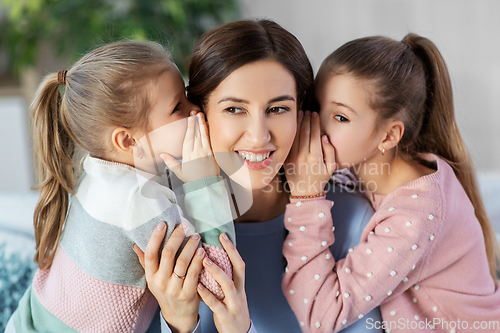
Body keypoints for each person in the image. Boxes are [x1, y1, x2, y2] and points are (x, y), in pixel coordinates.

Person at [136, 20, 383, 333]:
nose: (257, 137)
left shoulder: (354, 219)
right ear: (199, 112)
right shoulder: (157, 214)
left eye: (278, 109)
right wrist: (179, 324)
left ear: (302, 114)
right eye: (235, 110)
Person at [6, 40, 235, 333]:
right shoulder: (139, 199)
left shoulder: (97, 168)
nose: (197, 110)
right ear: (127, 141)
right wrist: (206, 181)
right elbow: (217, 283)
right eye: (178, 106)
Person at [282, 33, 500, 332]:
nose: (316, 124)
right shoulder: (365, 168)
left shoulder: (416, 215)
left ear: (388, 136)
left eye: (341, 117)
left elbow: (322, 315)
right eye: (316, 107)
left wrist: (306, 198)